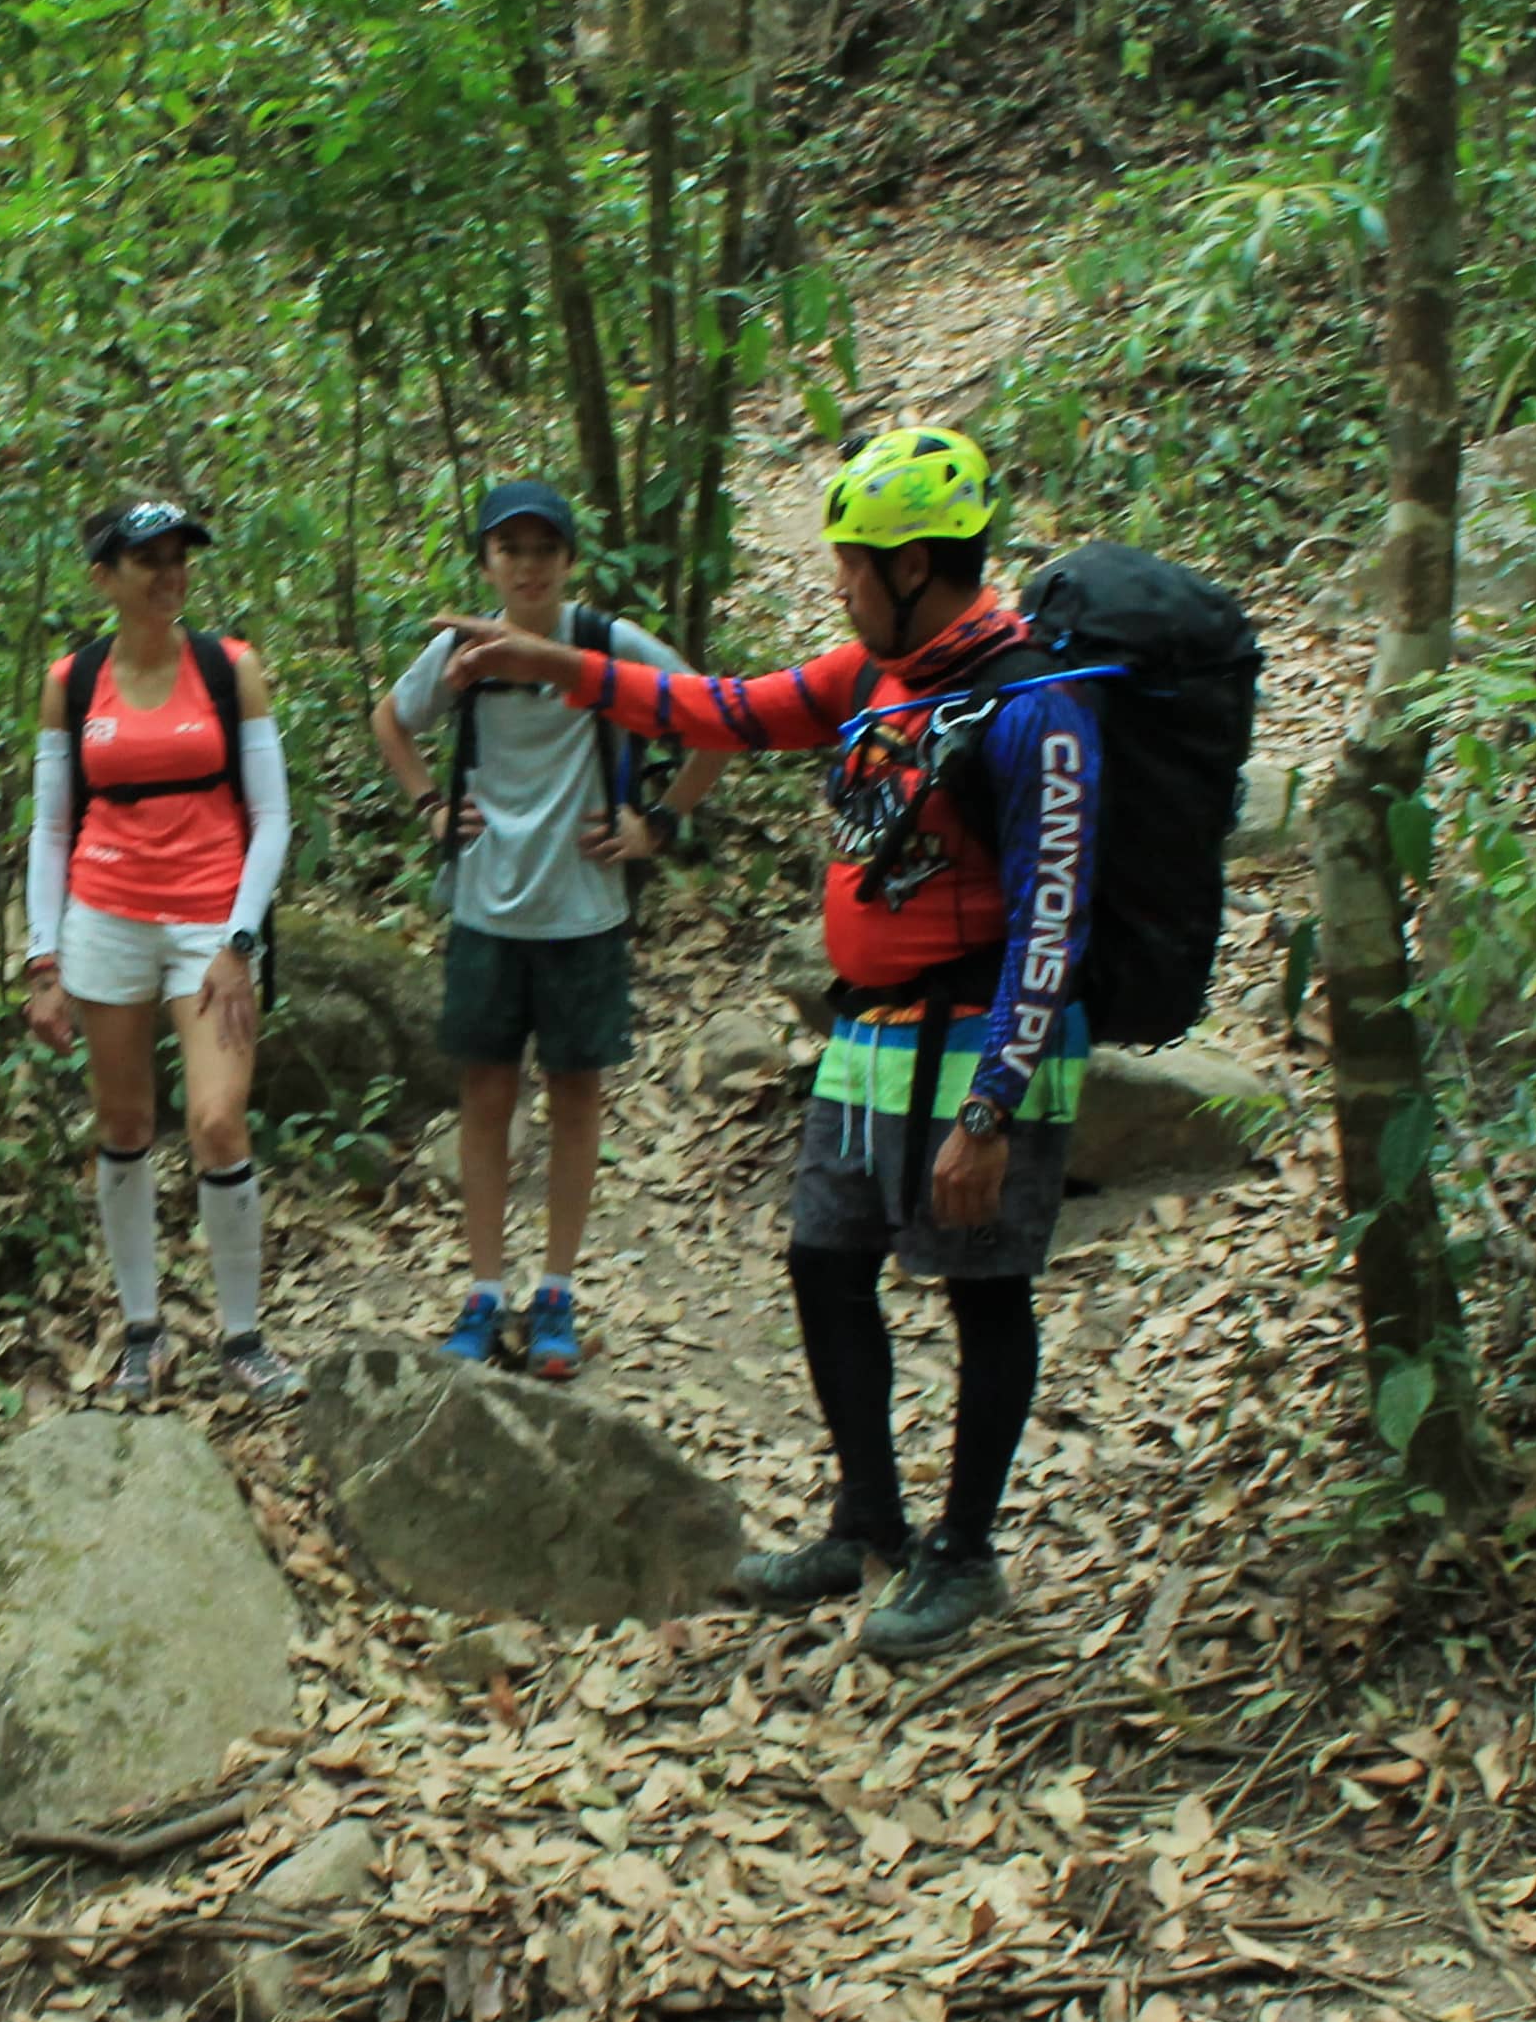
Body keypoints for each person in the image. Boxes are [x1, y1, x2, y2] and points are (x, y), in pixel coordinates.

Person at [447, 425, 1096, 1662]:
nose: (837, 583)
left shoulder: (1034, 703)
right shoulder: (870, 674)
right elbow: (722, 710)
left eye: (852, 562)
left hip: (981, 1041)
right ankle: (867, 1523)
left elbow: (1053, 915)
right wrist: (555, 662)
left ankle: (965, 1553)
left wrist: (992, 1107)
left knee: (982, 1287)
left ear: (915, 565)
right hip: (873, 1029)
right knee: (824, 1262)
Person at [369, 480, 725, 1378]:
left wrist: (658, 823)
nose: (527, 566)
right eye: (510, 550)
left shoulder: (606, 644)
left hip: (583, 910)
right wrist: (429, 805)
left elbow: (716, 719)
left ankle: (557, 1291)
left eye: (543, 549)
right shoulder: (463, 649)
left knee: (574, 1096)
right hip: (486, 907)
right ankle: (484, 1293)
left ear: (569, 559)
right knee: (485, 1097)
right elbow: (393, 719)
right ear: (488, 562)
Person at [21, 498, 301, 1401]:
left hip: (212, 925)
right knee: (124, 1124)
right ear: (104, 576)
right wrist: (42, 961)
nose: (170, 574)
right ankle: (143, 1330)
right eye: (149, 560)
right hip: (105, 919)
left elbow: (272, 816)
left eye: (179, 557)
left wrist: (240, 941)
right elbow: (51, 828)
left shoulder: (229, 669)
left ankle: (243, 1335)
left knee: (218, 1122)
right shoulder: (73, 681)